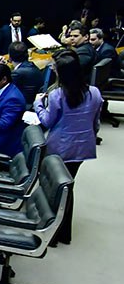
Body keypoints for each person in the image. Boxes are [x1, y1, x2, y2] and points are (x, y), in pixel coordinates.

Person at [34, 51, 103, 245]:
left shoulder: (57, 95)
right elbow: (95, 123)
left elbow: (47, 122)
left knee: (56, 188)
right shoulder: (95, 92)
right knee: (66, 186)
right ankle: (63, 233)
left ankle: (55, 233)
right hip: (83, 147)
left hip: (60, 147)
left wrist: (38, 104)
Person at [8, 42, 44, 109]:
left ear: (10, 58)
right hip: (34, 103)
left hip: (23, 107)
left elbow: (3, 90)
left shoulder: (17, 73)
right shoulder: (32, 65)